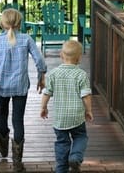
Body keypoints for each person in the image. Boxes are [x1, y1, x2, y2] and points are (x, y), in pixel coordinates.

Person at [0, 8, 47, 172]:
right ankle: (17, 161)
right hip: (20, 86)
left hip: (2, 86)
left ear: (2, 24)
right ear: (19, 23)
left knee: (2, 115)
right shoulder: (27, 39)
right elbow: (39, 59)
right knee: (18, 120)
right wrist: (41, 76)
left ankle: (3, 147)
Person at [40, 40, 93, 173]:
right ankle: (75, 157)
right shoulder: (81, 75)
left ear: (61, 55)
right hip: (76, 116)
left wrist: (43, 108)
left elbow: (46, 93)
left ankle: (61, 168)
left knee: (62, 143)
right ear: (79, 58)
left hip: (60, 118)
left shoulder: (53, 74)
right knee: (80, 136)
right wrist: (89, 110)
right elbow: (86, 96)